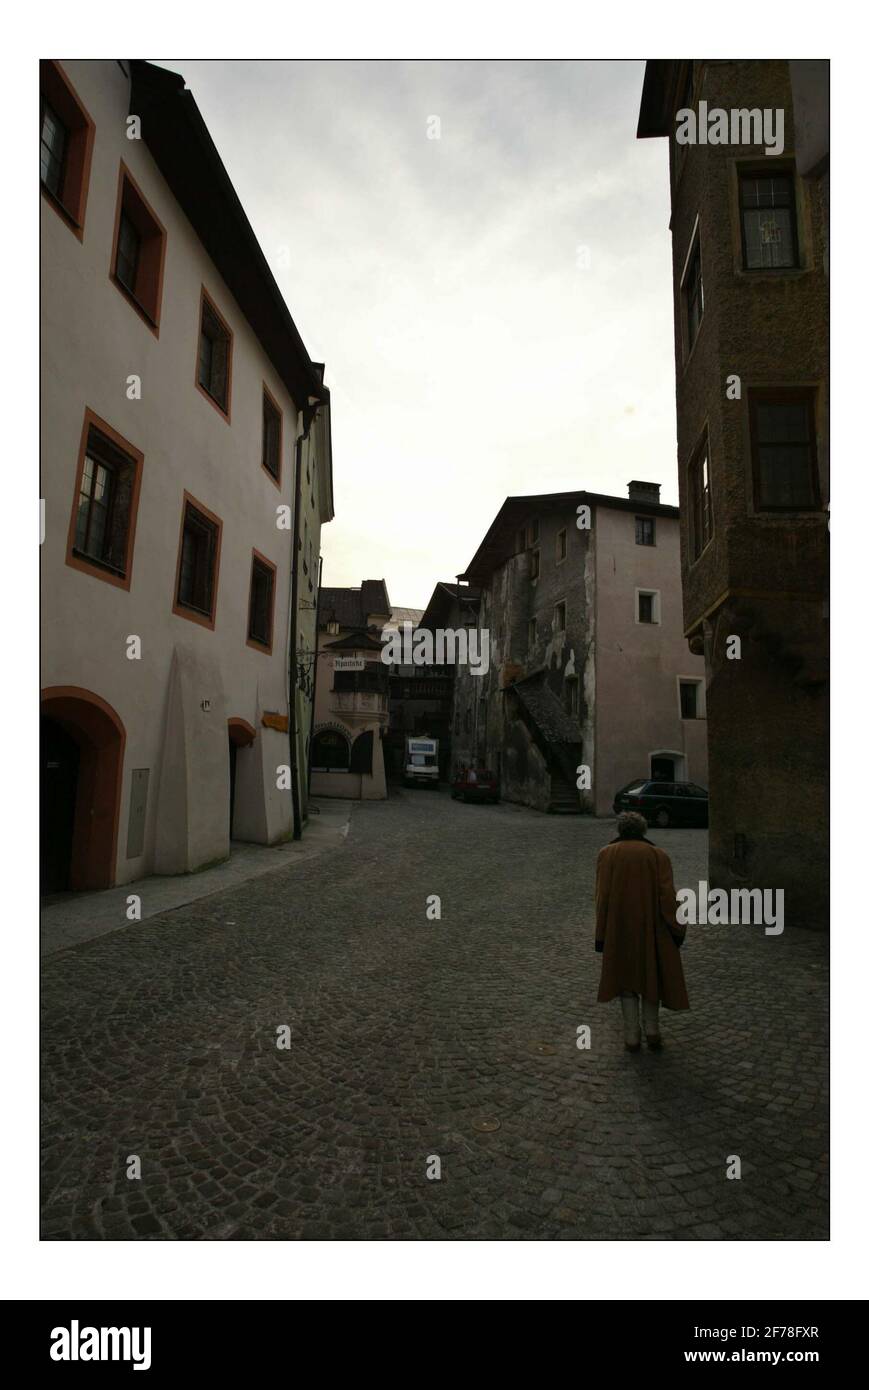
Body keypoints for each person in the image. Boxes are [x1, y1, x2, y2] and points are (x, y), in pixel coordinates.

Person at [594, 810, 689, 1052]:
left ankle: (631, 1036)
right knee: (650, 977)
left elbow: (602, 897)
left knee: (625, 980)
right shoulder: (658, 855)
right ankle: (652, 1031)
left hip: (620, 928)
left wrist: (601, 933)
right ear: (643, 830)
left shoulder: (607, 854)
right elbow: (668, 895)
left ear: (620, 830)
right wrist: (677, 926)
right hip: (652, 927)